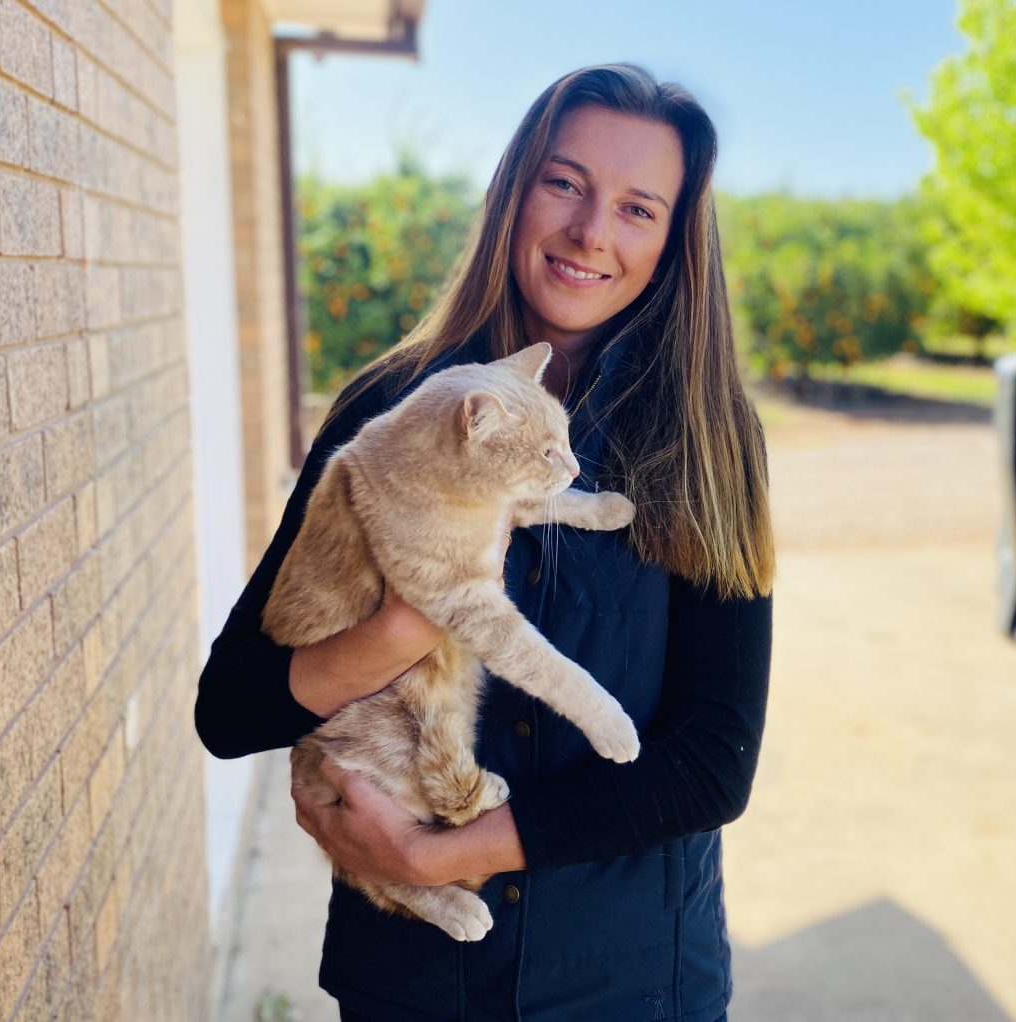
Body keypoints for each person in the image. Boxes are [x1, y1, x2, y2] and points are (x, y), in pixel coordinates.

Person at [195, 63, 774, 1022]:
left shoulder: (709, 437)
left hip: (628, 987)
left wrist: (434, 858)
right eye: (565, 183)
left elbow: (713, 759)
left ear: (674, 241)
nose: (592, 232)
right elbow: (233, 706)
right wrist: (396, 631)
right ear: (515, 190)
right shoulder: (387, 410)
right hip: (417, 984)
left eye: (638, 208)